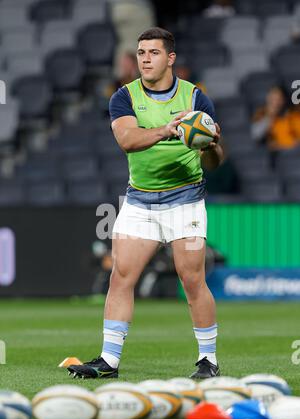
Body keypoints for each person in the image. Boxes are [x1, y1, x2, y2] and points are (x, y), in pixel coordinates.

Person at [68, 27, 224, 381]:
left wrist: (210, 145)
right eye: (141, 53)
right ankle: (109, 361)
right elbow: (127, 140)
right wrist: (167, 131)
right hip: (140, 200)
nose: (145, 59)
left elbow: (216, 161)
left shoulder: (196, 98)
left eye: (153, 53)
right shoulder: (123, 97)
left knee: (192, 279)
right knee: (121, 276)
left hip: (186, 198)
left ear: (170, 58)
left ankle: (208, 360)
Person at [252, 85, 300, 151]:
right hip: (277, 156)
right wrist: (270, 116)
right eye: (272, 100)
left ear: (284, 100)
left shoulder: (295, 115)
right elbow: (256, 135)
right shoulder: (262, 115)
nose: (275, 103)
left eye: (278, 99)